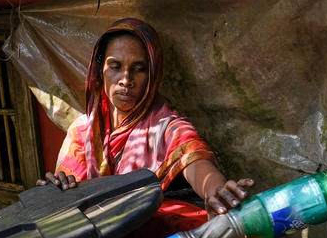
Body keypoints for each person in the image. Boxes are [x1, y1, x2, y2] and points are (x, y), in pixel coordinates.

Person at [39, 17, 254, 217]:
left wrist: (215, 190)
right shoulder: (82, 131)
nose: (126, 79)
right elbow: (67, 197)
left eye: (139, 69)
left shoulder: (166, 129)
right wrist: (56, 190)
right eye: (115, 66)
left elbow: (195, 161)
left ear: (152, 75)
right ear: (100, 69)